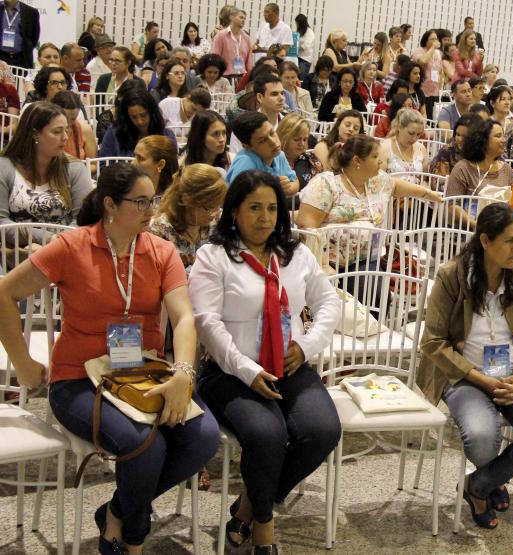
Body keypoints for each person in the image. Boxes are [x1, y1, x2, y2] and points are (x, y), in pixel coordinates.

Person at [0, 161, 219, 553]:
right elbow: (4, 292)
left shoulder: (161, 251)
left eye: (153, 199)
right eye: (140, 202)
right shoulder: (72, 246)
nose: (152, 209)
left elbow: (184, 317)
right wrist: (23, 365)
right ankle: (129, 541)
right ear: (109, 206)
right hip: (77, 379)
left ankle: (116, 512)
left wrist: (184, 374)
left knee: (202, 439)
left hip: (141, 374)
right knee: (146, 446)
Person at [190, 170, 341, 554]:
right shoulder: (214, 256)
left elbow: (329, 303)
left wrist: (305, 347)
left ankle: (247, 508)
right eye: (254, 207)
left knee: (322, 430)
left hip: (287, 364)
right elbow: (206, 322)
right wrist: (247, 369)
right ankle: (264, 528)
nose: (264, 217)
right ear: (234, 212)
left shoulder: (296, 253)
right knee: (267, 435)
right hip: (229, 372)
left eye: (272, 208)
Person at [417, 202, 513, 530]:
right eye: (509, 241)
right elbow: (433, 342)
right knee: (482, 437)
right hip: (463, 374)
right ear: (484, 241)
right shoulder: (452, 275)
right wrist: (481, 379)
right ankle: (494, 479)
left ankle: (478, 485)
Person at [295, 134, 441, 232]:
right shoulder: (325, 184)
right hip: (333, 266)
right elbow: (306, 227)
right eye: (375, 156)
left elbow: (395, 185)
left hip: (371, 261)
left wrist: (427, 193)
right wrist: (322, 264)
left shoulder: (376, 181)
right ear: (357, 161)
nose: (381, 161)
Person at [0, 102, 93, 236]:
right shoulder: (4, 166)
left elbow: (84, 220)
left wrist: (55, 244)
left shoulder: (74, 167)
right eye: (57, 131)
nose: (65, 138)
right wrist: (45, 238)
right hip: (16, 252)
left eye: (66, 130)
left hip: (65, 250)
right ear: (35, 134)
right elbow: (1, 222)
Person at [150, 163, 227, 267]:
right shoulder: (160, 230)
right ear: (185, 199)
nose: (216, 213)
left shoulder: (216, 222)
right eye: (209, 207)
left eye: (218, 205)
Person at [225, 111, 296, 197]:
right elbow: (239, 198)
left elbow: (295, 180)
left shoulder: (279, 155)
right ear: (247, 146)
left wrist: (289, 188)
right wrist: (274, 188)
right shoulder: (245, 162)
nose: (273, 142)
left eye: (272, 133)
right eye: (262, 140)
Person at [99, 86, 177, 158]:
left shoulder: (167, 135)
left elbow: (172, 167)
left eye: (143, 115)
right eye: (133, 117)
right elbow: (103, 165)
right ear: (127, 116)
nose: (139, 121)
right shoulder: (114, 132)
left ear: (152, 112)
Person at [445, 118, 511, 197]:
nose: (504, 140)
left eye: (503, 136)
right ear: (483, 140)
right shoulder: (463, 169)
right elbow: (452, 205)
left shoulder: (507, 170)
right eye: (498, 136)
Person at [182, 109, 232, 176]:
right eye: (215, 134)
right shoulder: (183, 166)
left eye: (224, 133)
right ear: (200, 136)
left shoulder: (231, 161)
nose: (222, 139)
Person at [210, 7, 255, 81]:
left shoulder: (247, 38)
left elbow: (249, 62)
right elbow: (215, 58)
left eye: (244, 18)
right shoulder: (220, 36)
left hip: (242, 77)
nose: (243, 20)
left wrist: (250, 77)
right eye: (241, 17)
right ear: (232, 17)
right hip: (225, 77)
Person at [51, 91, 98, 160]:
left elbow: (93, 164)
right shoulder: (47, 132)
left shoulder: (84, 130)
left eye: (73, 119)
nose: (68, 124)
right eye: (65, 119)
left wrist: (76, 169)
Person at [0, 0, 39, 70]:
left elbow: (34, 38)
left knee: (19, 80)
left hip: (21, 60)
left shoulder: (31, 12)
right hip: (1, 58)